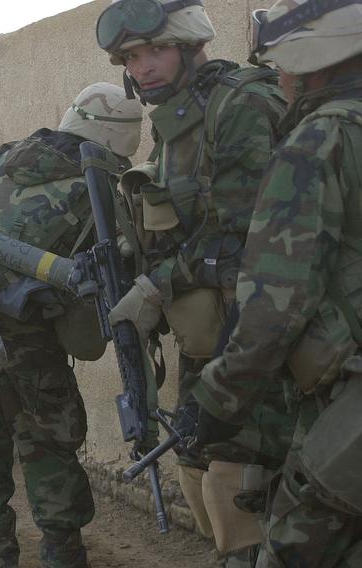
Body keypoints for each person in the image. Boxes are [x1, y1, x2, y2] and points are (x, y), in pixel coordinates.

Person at [95, 1, 295, 563]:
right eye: (131, 58)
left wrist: (157, 285)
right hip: (206, 331)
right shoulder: (177, 122)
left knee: (240, 481)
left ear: (187, 43)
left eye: (154, 51)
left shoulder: (241, 104)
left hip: (254, 330)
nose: (142, 68)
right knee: (196, 467)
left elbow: (245, 234)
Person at [0, 82, 141, 568]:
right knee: (49, 443)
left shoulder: (5, 157)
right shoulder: (97, 184)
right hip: (32, 339)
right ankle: (63, 554)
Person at [187, 1, 362, 565]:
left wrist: (217, 400)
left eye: (282, 64)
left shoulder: (319, 142)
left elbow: (273, 307)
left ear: (312, 63)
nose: (278, 79)